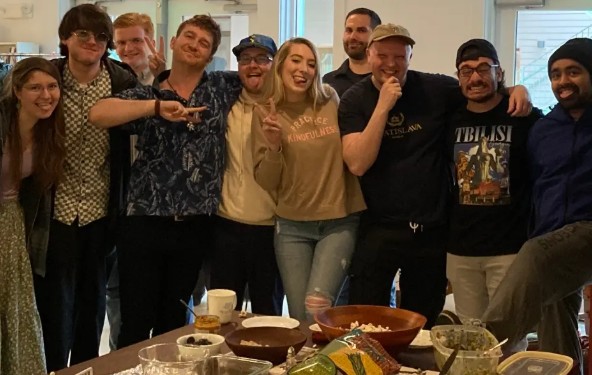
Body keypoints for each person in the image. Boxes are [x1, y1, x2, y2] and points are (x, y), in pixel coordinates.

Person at [338, 24, 531, 328]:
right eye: (383, 55)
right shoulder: (354, 99)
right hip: (379, 227)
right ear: (369, 54)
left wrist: (516, 89)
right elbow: (358, 163)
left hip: (431, 229)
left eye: (399, 56)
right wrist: (384, 105)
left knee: (423, 321)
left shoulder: (435, 88)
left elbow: (478, 86)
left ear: (410, 56)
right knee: (368, 320)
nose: (391, 63)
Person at [89, 15, 242, 348]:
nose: (194, 44)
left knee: (174, 324)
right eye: (189, 36)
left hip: (195, 225)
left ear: (211, 54)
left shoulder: (222, 86)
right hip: (144, 222)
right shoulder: (146, 94)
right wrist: (155, 107)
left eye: (204, 43)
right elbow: (98, 113)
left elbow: (265, 74)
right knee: (135, 320)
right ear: (172, 42)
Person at [32, 4, 138, 371]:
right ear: (65, 38)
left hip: (101, 209)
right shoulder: (47, 78)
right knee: (54, 305)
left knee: (92, 307)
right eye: (83, 34)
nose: (92, 41)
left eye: (100, 36)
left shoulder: (122, 82)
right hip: (53, 209)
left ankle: (85, 369)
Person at [482, 37, 592, 375]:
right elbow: (534, 186)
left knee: (536, 255)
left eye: (573, 72)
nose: (563, 82)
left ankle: (480, 345)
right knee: (554, 318)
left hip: (587, 229)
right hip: (554, 233)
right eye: (556, 74)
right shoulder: (543, 130)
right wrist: (516, 87)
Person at [252, 37, 366, 321]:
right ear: (280, 65)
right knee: (302, 318)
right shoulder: (264, 112)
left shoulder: (329, 98)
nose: (304, 69)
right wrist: (274, 146)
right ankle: (311, 365)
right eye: (296, 60)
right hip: (291, 226)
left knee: (317, 307)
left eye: (312, 64)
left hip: (338, 220)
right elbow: (267, 181)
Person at [445, 39, 541, 349]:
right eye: (467, 70)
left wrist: (520, 90)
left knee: (509, 337)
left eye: (484, 68)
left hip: (511, 248)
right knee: (471, 337)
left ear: (500, 73)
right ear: (458, 77)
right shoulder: (450, 120)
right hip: (461, 249)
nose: (475, 77)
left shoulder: (524, 116)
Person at [209, 34, 284, 316]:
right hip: (226, 226)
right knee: (222, 317)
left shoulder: (287, 109)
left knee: (268, 316)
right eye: (245, 59)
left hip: (273, 230)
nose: (253, 66)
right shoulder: (226, 104)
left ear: (275, 65)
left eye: (262, 59)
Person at [0, 57, 65, 375]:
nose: (46, 95)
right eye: (35, 87)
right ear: (17, 91)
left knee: (15, 311)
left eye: (52, 86)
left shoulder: (46, 133)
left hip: (13, 227)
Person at [322, 7, 381, 97]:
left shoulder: (385, 79)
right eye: (348, 30)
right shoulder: (328, 82)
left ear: (376, 36)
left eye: (361, 30)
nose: (352, 37)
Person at [113, 12, 166, 85]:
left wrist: (161, 78)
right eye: (122, 43)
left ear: (152, 44)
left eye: (136, 41)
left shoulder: (168, 80)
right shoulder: (110, 79)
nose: (128, 49)